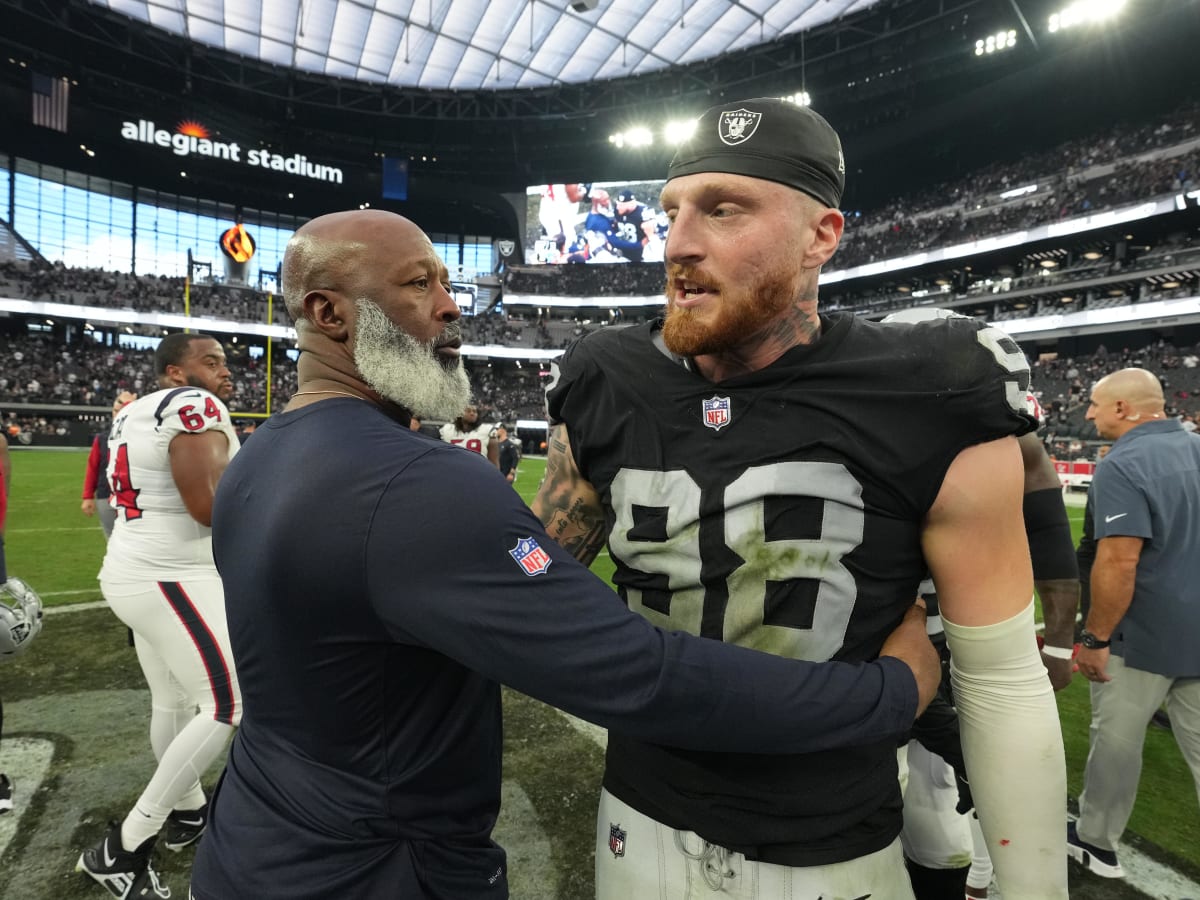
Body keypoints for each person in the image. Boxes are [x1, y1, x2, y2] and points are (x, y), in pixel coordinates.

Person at [188, 208, 942, 900]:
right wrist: (887, 694)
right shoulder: (416, 482)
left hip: (255, 838)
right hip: (368, 870)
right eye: (420, 284)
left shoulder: (257, 458)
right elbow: (639, 675)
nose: (451, 307)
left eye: (449, 283)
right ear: (328, 313)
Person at [533, 98, 1067, 899]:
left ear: (822, 236)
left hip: (830, 849)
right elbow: (536, 576)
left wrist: (1037, 890)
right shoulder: (606, 375)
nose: (678, 243)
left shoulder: (930, 384)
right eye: (672, 211)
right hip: (635, 818)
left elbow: (1000, 679)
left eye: (724, 209)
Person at [76, 332, 242, 900]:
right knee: (228, 703)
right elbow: (209, 507)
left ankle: (190, 810)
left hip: (133, 570)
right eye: (211, 362)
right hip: (171, 577)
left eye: (225, 362)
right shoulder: (195, 406)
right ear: (176, 373)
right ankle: (123, 845)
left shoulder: (134, 413)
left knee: (173, 702)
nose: (225, 372)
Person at [1069, 367, 1200, 879]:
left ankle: (1097, 843)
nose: (1088, 413)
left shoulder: (1124, 463)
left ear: (1123, 409)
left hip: (1141, 635)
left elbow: (1119, 562)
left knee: (1117, 741)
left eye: (1096, 404)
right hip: (1194, 626)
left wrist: (1095, 637)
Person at [81, 391, 138, 539]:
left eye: (123, 409)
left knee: (135, 542)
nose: (117, 414)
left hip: (133, 498)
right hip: (106, 496)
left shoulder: (142, 436)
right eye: (115, 410)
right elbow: (92, 468)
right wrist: (87, 496)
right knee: (112, 541)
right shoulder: (102, 438)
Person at [1074, 443, 1111, 639]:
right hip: (1091, 544)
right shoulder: (1101, 477)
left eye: (1105, 453)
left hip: (1100, 544)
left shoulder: (1110, 476)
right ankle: (1085, 624)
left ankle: (1090, 629)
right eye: (1100, 453)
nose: (1101, 456)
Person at [440, 404, 500, 468]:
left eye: (474, 411)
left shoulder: (487, 430)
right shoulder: (447, 430)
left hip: (478, 472)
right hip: (454, 471)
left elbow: (494, 462)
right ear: (459, 413)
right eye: (468, 411)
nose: (472, 413)